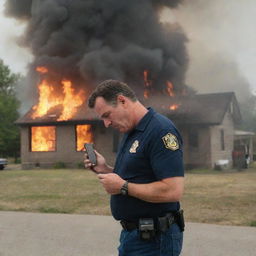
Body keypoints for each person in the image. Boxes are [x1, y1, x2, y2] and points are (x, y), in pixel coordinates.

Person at [84, 79, 185, 256]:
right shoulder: (131, 132)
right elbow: (136, 176)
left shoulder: (160, 131)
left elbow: (172, 191)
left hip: (155, 240)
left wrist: (123, 187)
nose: (106, 123)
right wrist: (105, 169)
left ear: (122, 100)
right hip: (134, 236)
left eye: (107, 115)